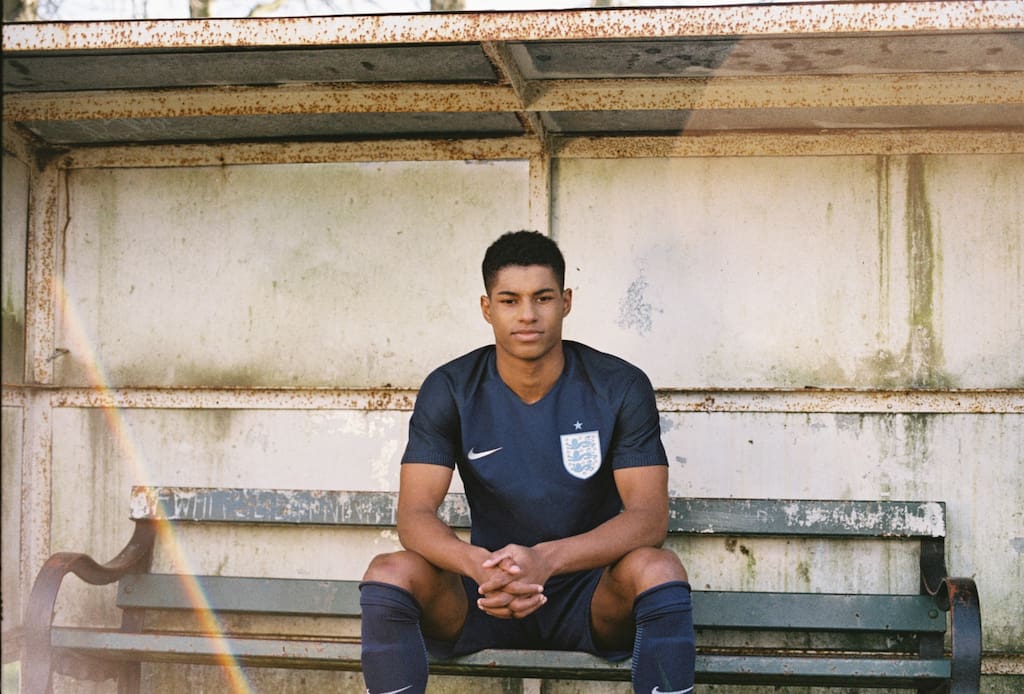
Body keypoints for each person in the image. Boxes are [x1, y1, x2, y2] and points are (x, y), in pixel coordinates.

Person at [360, 230, 695, 694]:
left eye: (543, 297)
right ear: (486, 308)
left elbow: (648, 518)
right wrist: (476, 565)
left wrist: (545, 560)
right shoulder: (452, 388)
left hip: (589, 595)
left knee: (660, 569)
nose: (527, 315)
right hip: (486, 594)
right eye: (509, 300)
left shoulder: (618, 385)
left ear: (566, 301)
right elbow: (414, 516)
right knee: (388, 571)